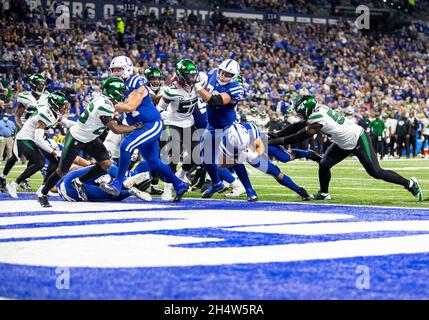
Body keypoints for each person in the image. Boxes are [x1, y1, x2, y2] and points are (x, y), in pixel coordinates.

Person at [268, 95, 423, 201]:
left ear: (307, 109)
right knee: (324, 164)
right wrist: (277, 134)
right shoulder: (318, 109)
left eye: (301, 112)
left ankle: (410, 184)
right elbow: (297, 125)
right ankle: (324, 193)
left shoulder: (318, 117)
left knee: (376, 172)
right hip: (343, 143)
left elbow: (299, 136)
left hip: (357, 138)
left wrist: (274, 142)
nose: (300, 115)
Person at [37, 77, 141, 207]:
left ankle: (79, 181)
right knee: (62, 170)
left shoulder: (104, 101)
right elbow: (116, 129)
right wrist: (135, 127)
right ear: (114, 92)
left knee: (106, 164)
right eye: (121, 91)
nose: (122, 94)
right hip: (77, 137)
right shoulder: (105, 105)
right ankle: (42, 193)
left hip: (90, 137)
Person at [102, 56, 189, 201]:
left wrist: (108, 103)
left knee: (125, 145)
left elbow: (131, 106)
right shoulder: (116, 87)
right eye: (114, 70)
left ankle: (117, 183)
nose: (116, 73)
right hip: (139, 127)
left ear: (127, 69)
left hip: (151, 124)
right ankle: (179, 184)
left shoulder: (136, 81)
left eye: (119, 69)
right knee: (154, 162)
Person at [195, 58, 257, 201]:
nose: (223, 75)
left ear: (234, 76)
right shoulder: (213, 73)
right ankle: (216, 183)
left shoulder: (236, 88)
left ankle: (249, 189)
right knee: (205, 157)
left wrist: (198, 87)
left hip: (227, 127)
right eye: (222, 71)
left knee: (232, 159)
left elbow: (215, 100)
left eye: (228, 74)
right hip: (211, 125)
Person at [1, 91, 74, 198]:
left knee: (55, 160)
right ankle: (13, 184)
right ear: (54, 104)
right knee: (40, 162)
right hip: (25, 138)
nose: (63, 108)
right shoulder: (46, 113)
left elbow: (67, 123)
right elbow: (39, 139)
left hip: (33, 139)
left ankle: (44, 188)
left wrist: (83, 125)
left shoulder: (54, 113)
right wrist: (53, 151)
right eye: (61, 105)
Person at [219, 122, 316, 200]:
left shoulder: (250, 128)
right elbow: (223, 164)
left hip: (259, 141)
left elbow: (259, 149)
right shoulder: (225, 144)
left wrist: (256, 152)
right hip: (244, 152)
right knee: (275, 173)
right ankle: (300, 190)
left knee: (285, 157)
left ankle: (308, 154)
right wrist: (236, 160)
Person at [156, 59, 199, 201]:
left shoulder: (198, 85)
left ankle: (180, 177)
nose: (192, 78)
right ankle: (167, 189)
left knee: (196, 155)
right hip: (173, 123)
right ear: (181, 75)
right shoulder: (171, 89)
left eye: (193, 74)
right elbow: (159, 109)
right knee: (173, 157)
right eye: (189, 75)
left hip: (189, 122)